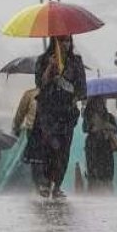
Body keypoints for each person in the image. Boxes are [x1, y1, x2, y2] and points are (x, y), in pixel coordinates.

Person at [23, 35, 86, 198]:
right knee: (46, 148)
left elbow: (81, 90)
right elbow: (40, 84)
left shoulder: (76, 62)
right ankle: (43, 183)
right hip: (47, 113)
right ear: (54, 42)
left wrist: (69, 90)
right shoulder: (44, 60)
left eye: (68, 40)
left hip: (66, 114)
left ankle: (56, 185)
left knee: (63, 152)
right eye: (61, 41)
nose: (65, 44)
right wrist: (50, 69)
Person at [82, 98, 117, 193]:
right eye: (98, 103)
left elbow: (116, 129)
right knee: (94, 174)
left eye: (102, 103)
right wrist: (96, 127)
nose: (101, 105)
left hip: (105, 148)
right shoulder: (89, 117)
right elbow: (86, 128)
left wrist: (105, 125)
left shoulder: (109, 117)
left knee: (107, 174)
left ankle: (107, 191)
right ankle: (94, 191)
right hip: (93, 148)